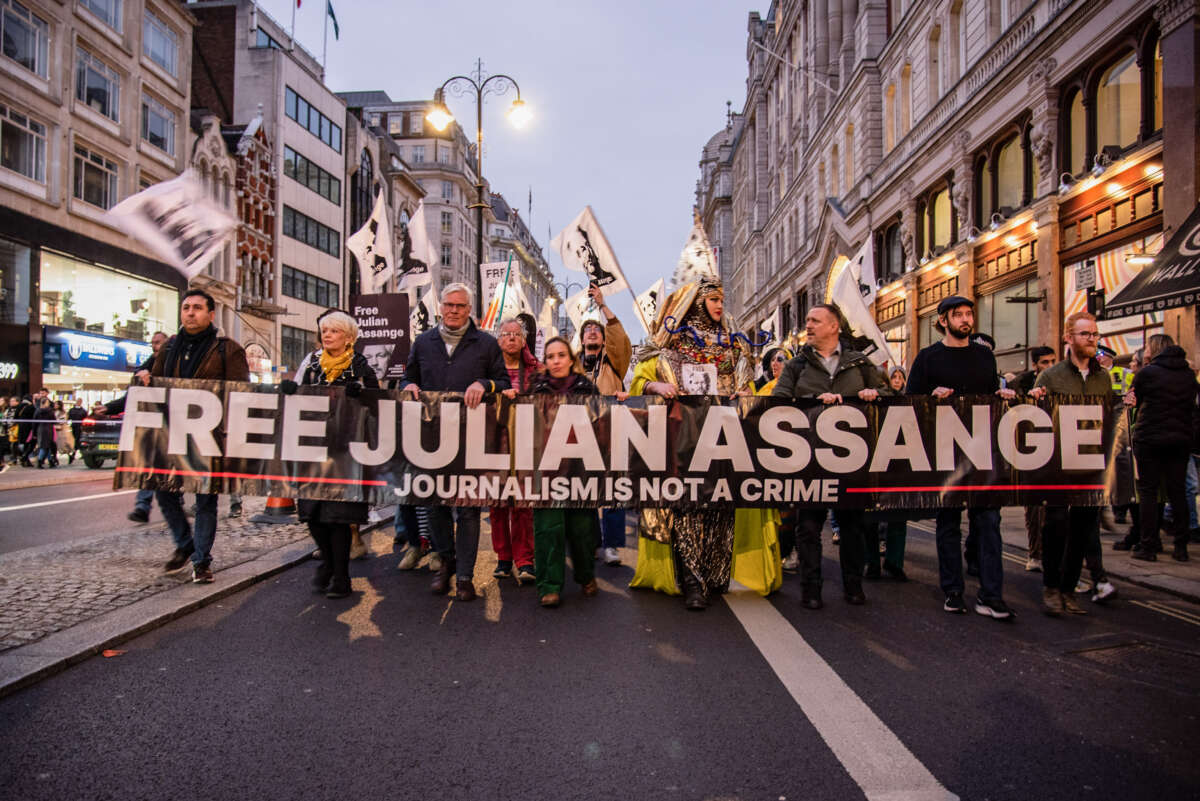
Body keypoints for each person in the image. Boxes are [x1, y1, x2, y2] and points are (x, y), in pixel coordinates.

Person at [630, 276, 754, 610]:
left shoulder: (732, 345)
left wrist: (744, 392)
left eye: (722, 300)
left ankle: (713, 575)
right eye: (713, 299)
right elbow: (639, 381)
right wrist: (656, 388)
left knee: (720, 509)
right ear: (698, 303)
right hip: (684, 443)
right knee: (687, 509)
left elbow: (746, 385)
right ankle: (691, 582)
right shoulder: (671, 346)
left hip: (724, 441)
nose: (719, 305)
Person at [906, 295, 1016, 620]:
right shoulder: (927, 358)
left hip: (982, 452)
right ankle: (953, 591)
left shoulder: (984, 356)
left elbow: (987, 396)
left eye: (969, 314)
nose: (966, 320)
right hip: (945, 452)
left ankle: (991, 594)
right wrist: (930, 397)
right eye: (959, 315)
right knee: (948, 523)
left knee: (989, 523)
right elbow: (910, 401)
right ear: (943, 320)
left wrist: (1001, 396)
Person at [772, 304, 889, 608]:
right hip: (809, 460)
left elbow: (891, 396)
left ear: (834, 326)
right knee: (808, 527)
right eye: (807, 320)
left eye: (815, 320)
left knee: (852, 526)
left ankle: (853, 586)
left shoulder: (860, 364)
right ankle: (811, 590)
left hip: (850, 461)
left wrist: (873, 395)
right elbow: (778, 401)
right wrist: (811, 401)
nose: (807, 325)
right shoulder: (797, 366)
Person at [400, 282, 510, 601]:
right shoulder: (423, 343)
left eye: (460, 306)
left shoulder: (486, 344)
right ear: (441, 307)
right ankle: (444, 565)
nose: (453, 311)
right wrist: (408, 386)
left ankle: (464, 577)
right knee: (434, 507)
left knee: (468, 510)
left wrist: (484, 383)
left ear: (469, 310)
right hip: (432, 439)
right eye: (449, 305)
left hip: (470, 439)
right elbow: (408, 377)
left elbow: (502, 381)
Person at [146, 289, 249, 583]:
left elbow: (242, 396)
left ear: (211, 314)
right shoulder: (168, 348)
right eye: (186, 308)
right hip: (172, 435)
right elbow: (154, 385)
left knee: (205, 500)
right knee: (163, 490)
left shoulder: (228, 349)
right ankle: (185, 543)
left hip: (210, 437)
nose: (190, 312)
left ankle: (201, 561)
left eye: (197, 308)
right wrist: (140, 380)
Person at [1028, 312, 1112, 615]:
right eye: (1084, 334)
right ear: (1068, 337)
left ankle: (1069, 588)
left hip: (1091, 466)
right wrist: (1035, 399)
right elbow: (1036, 420)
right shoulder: (1051, 376)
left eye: (1094, 334)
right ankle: (1051, 588)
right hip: (1059, 466)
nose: (1091, 339)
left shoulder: (1103, 377)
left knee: (1084, 529)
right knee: (1056, 526)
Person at [292, 311, 380, 598]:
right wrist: (290, 391)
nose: (327, 335)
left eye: (333, 331)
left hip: (345, 452)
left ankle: (341, 577)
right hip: (314, 449)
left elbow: (377, 403)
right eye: (324, 331)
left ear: (348, 336)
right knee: (313, 516)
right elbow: (300, 398)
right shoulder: (313, 364)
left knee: (338, 517)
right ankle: (328, 565)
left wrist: (362, 392)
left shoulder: (360, 365)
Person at [528, 336, 600, 608]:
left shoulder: (587, 389)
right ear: (545, 362)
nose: (556, 361)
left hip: (578, 470)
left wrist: (618, 402)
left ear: (571, 359)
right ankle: (549, 586)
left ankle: (585, 575)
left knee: (581, 530)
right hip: (546, 471)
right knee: (548, 529)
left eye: (561, 355)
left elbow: (602, 422)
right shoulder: (535, 389)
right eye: (550, 357)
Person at [1127, 333, 1198, 562]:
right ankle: (1181, 547)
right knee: (1177, 492)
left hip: (1150, 438)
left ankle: (1148, 546)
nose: (1145, 349)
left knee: (1148, 492)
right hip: (1180, 440)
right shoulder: (1189, 375)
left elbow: (1132, 401)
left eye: (1147, 345)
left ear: (1154, 348)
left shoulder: (1147, 373)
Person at [579, 284, 633, 566]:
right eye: (588, 330)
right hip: (580, 434)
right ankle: (589, 541)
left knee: (612, 490)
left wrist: (602, 306)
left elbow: (619, 335)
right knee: (584, 491)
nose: (592, 332)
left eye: (597, 330)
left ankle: (611, 544)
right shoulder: (574, 365)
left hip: (610, 430)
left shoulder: (614, 362)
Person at [490, 317, 541, 584]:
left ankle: (525, 560)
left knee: (523, 503)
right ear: (498, 339)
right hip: (495, 444)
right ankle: (503, 558)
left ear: (523, 341)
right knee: (497, 502)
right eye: (506, 333)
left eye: (516, 334)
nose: (511, 338)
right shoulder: (486, 371)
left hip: (526, 444)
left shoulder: (536, 371)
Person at [1015, 345, 1058, 571]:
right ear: (1035, 365)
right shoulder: (1022, 384)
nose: (1050, 367)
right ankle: (1035, 554)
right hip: (1029, 451)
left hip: (1055, 449)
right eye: (1045, 363)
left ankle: (1054, 557)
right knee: (1033, 507)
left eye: (1053, 361)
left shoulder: (1060, 381)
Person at [31, 397, 56, 468]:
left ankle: (50, 461)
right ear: (46, 403)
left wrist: (34, 433)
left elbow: (34, 423)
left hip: (40, 429)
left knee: (44, 446)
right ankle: (40, 460)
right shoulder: (50, 411)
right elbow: (54, 420)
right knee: (46, 446)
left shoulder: (37, 411)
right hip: (49, 429)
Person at [14, 394, 34, 467]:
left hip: (21, 427)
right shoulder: (31, 407)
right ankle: (25, 458)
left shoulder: (19, 406)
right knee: (30, 443)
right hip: (29, 427)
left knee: (22, 443)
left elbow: (15, 417)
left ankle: (25, 459)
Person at [66, 398, 87, 465]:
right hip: (73, 427)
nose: (78, 402)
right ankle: (73, 453)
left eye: (80, 401)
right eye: (78, 401)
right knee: (73, 441)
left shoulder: (83, 411)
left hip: (80, 428)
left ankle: (74, 454)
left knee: (78, 441)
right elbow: (68, 418)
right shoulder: (72, 410)